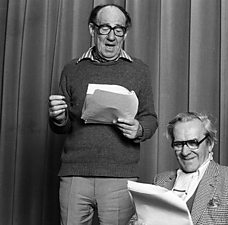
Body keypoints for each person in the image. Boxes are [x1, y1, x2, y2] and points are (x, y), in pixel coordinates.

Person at [48, 4, 158, 225]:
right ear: (92, 29)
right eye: (105, 28)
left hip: (119, 175)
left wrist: (139, 128)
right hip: (74, 174)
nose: (111, 36)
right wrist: (58, 118)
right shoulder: (72, 69)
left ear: (125, 33)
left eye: (118, 29)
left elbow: (150, 118)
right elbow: (64, 125)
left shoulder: (139, 70)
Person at [154, 112, 228, 225]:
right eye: (178, 144)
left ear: (209, 144)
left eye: (193, 143)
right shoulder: (160, 180)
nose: (185, 152)